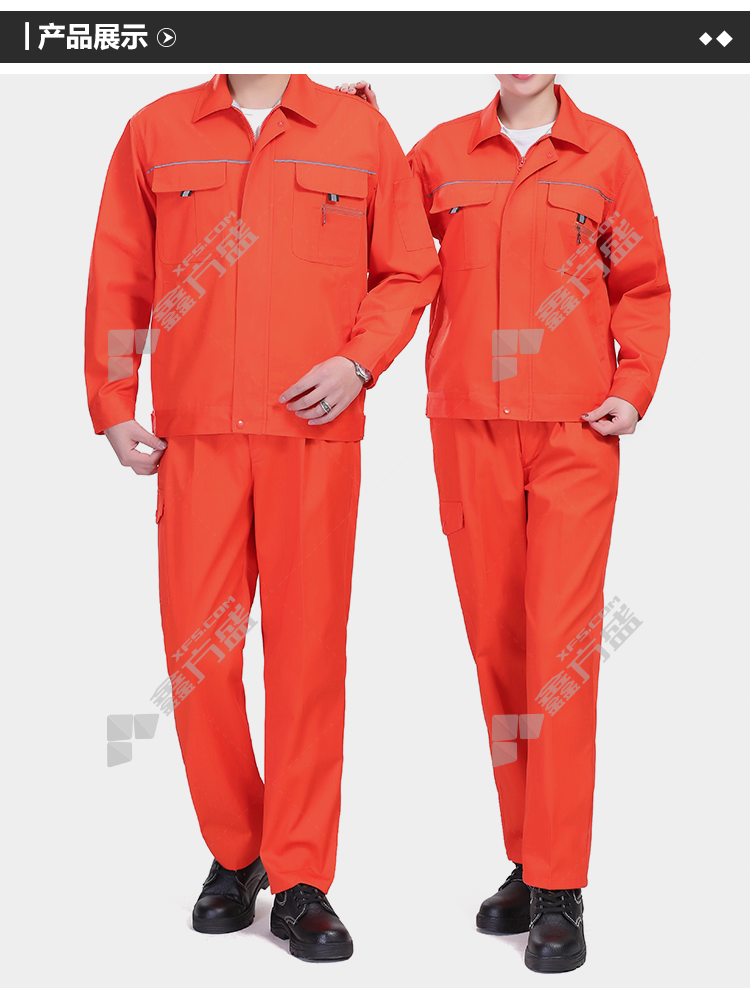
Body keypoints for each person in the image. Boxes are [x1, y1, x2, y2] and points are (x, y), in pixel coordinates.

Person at [85, 72, 440, 962]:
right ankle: (239, 852)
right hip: (197, 438)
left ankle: (302, 877)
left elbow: (410, 268)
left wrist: (360, 363)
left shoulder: (358, 133)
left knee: (307, 657)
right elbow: (121, 272)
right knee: (197, 659)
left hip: (312, 438)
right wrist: (114, 400)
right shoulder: (155, 130)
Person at [339, 74, 670, 973]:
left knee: (559, 654)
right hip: (468, 427)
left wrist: (634, 385)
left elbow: (642, 282)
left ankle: (561, 885)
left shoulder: (608, 153)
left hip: (575, 429)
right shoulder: (438, 153)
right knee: (499, 649)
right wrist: (361, 129)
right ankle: (528, 859)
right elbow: (384, 239)